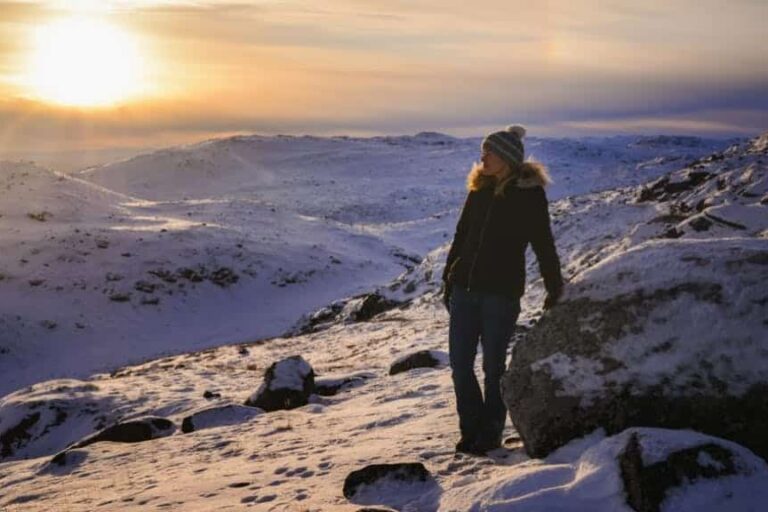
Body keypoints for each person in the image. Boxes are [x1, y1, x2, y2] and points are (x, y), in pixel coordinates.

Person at [441, 124, 564, 455]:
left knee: (493, 367)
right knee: (460, 365)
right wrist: (448, 278)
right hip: (464, 290)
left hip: (501, 294)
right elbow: (461, 236)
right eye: (483, 151)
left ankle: (490, 433)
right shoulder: (478, 190)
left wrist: (554, 288)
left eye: (489, 152)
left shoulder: (529, 195)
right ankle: (470, 430)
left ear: (507, 158)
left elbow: (543, 244)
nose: (483, 157)